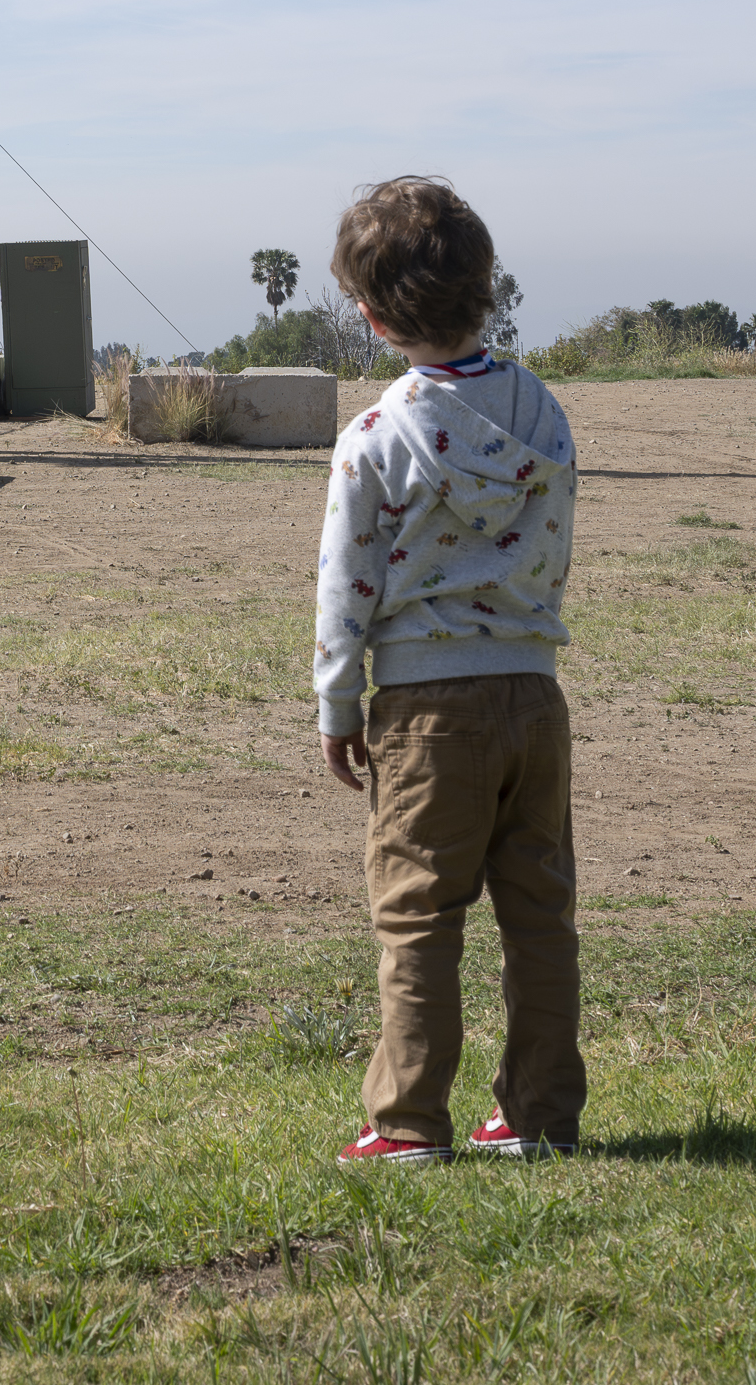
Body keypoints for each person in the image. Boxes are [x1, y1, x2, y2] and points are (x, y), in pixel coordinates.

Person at [313, 175, 583, 1167]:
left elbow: (346, 583)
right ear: (486, 288)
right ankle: (540, 1113)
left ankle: (408, 1120)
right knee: (540, 913)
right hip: (535, 695)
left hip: (428, 709)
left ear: (373, 317)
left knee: (418, 913)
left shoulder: (376, 438)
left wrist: (339, 702)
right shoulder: (542, 412)